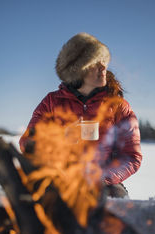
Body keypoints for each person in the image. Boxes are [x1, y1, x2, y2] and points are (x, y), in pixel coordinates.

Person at [19, 32, 142, 198]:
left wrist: (105, 177)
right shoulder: (52, 102)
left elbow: (131, 156)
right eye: (95, 62)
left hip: (105, 184)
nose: (103, 67)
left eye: (103, 61)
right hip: (61, 180)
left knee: (117, 206)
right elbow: (28, 143)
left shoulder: (119, 107)